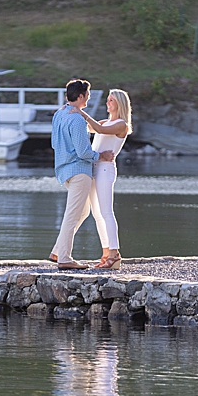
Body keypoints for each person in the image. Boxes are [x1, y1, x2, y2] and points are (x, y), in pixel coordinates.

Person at [49, 79, 114, 270]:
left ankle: (57, 251)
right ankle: (64, 258)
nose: (89, 97)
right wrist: (101, 155)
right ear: (80, 96)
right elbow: (84, 152)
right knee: (72, 214)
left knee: (83, 211)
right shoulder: (77, 120)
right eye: (87, 94)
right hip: (79, 171)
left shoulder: (59, 114)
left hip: (64, 169)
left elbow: (54, 143)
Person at [69, 89, 131, 270]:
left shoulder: (121, 124)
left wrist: (80, 111)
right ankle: (106, 253)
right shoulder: (106, 121)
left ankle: (114, 253)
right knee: (97, 215)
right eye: (108, 99)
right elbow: (90, 126)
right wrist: (72, 113)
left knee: (106, 213)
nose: (107, 102)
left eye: (111, 100)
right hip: (94, 168)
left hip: (105, 170)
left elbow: (100, 129)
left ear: (119, 103)